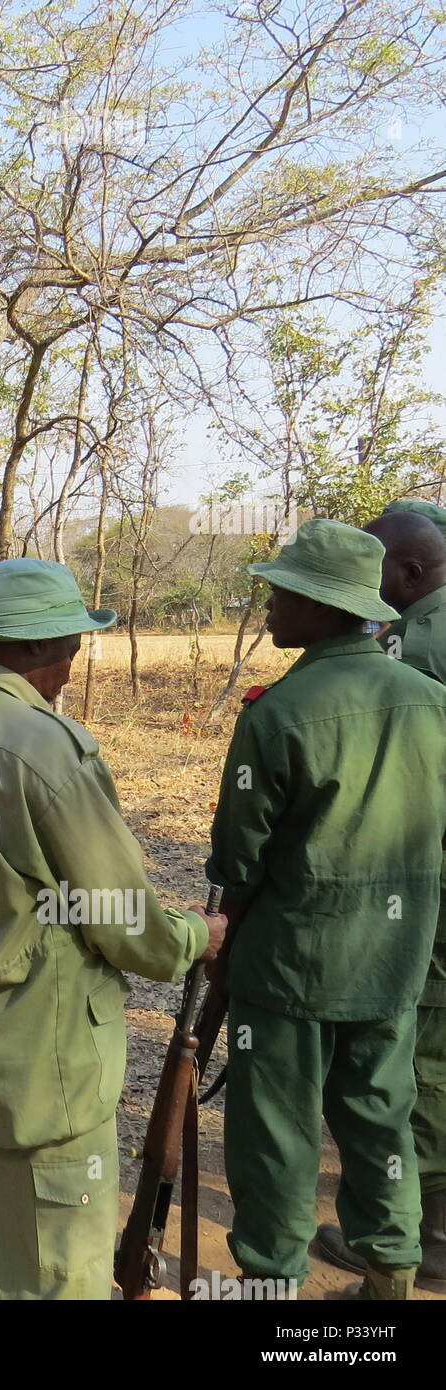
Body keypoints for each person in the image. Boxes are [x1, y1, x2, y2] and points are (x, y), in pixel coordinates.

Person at [0, 558, 224, 1299]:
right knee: (52, 1276)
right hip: (40, 1075)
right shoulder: (47, 749)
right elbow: (127, 925)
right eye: (71, 645)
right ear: (38, 648)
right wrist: (198, 935)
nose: (74, 665)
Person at [208, 518, 446, 1300]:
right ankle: (390, 1285)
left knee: (276, 1133)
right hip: (395, 962)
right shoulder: (429, 700)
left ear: (323, 607)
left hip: (290, 966)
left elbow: (238, 863)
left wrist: (221, 941)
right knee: (382, 1118)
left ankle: (273, 1285)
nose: (271, 604)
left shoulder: (275, 713)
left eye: (285, 592)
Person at [314, 501, 446, 1291]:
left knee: (424, 1057)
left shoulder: (416, 647)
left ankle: (419, 1235)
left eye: (377, 573)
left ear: (409, 572)